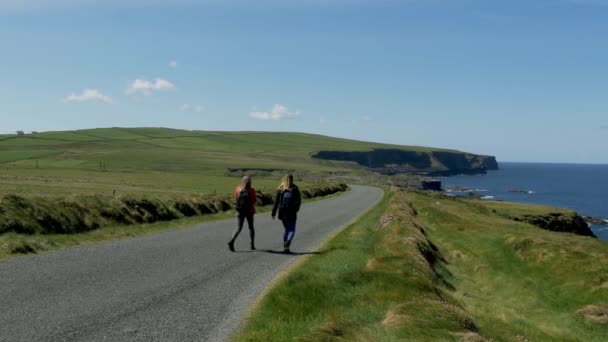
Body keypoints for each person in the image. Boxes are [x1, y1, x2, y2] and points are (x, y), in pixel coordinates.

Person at [271, 174, 301, 253]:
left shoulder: (280, 188)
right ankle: (287, 243)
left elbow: (276, 202)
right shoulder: (295, 188)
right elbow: (299, 201)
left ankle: (286, 248)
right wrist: (296, 209)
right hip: (291, 211)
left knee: (287, 229)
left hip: (282, 211)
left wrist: (273, 213)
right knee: (291, 230)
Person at [228, 175, 256, 252]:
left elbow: (236, 199)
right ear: (250, 182)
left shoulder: (238, 189)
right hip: (249, 211)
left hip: (239, 211)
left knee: (238, 228)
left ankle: (232, 240)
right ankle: (252, 244)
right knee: (251, 227)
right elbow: (254, 200)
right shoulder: (251, 190)